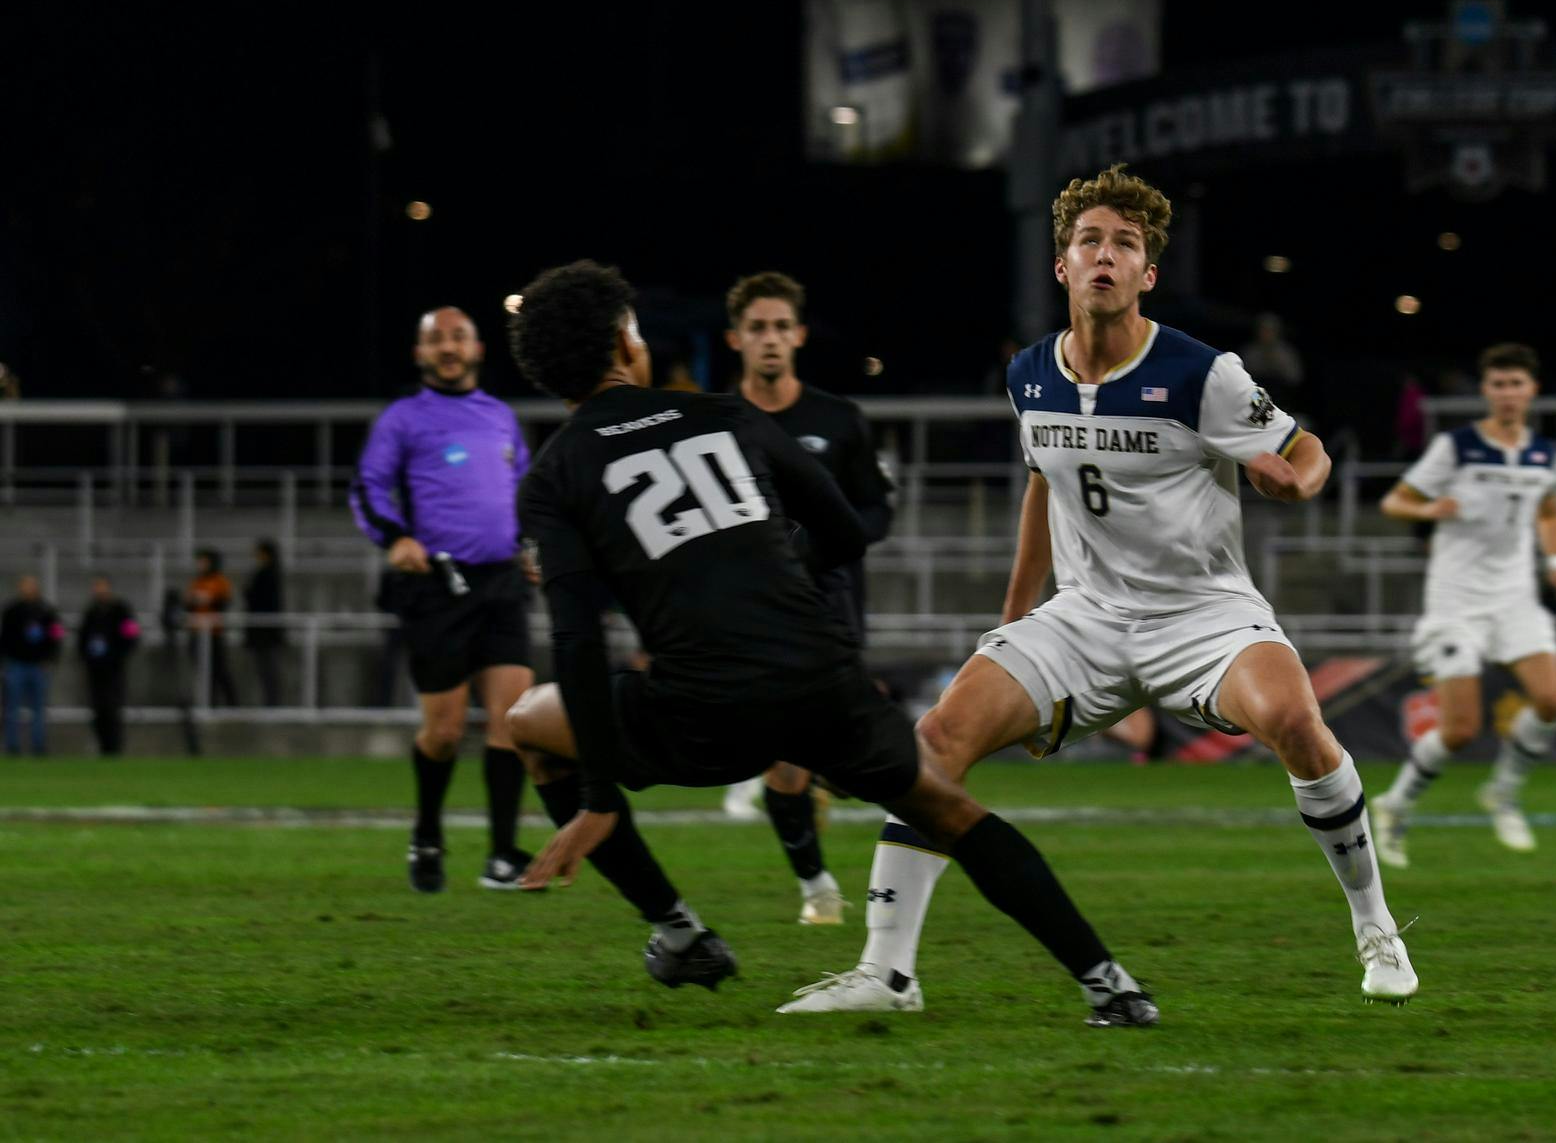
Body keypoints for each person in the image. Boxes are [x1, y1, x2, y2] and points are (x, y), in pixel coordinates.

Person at [781, 164, 1415, 1016]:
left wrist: (1295, 485)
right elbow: (1045, 484)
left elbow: (1307, 452)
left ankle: (1374, 923)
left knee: (1299, 722)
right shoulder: (1029, 376)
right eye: (1090, 241)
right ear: (1063, 265)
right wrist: (1013, 631)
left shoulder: (1202, 373)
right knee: (932, 740)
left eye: (1126, 244)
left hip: (1204, 614)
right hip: (1082, 618)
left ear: (1148, 273)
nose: (1106, 256)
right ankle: (887, 973)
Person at [503, 260, 1158, 1027]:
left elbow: (577, 638)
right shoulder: (727, 415)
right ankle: (1108, 982)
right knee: (944, 807)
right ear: (625, 340)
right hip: (818, 674)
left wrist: (596, 794)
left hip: (703, 707)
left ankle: (680, 933)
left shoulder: (554, 474)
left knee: (526, 724)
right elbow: (845, 531)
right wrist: (769, 575)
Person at [720, 270, 895, 926]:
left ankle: (833, 777)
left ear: (797, 335)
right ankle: (818, 888)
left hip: (832, 605)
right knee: (786, 759)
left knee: (846, 758)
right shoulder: (715, 423)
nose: (769, 339)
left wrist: (824, 543)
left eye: (780, 327)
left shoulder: (836, 419)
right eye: (756, 328)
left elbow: (876, 510)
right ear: (736, 338)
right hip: (751, 612)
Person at [350, 306, 537, 893]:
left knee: (514, 723)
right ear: (420, 354)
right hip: (439, 587)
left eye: (459, 337)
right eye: (436, 339)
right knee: (445, 732)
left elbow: (527, 493)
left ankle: (503, 854)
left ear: (479, 349)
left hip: (503, 583)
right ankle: (426, 833)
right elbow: (369, 487)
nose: (448, 347)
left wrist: (532, 546)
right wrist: (396, 538)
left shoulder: (502, 417)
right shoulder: (404, 419)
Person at [1373, 344, 1556, 866]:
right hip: (1456, 604)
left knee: (1552, 700)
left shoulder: (1544, 454)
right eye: (1498, 384)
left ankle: (1503, 793)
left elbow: (1549, 510)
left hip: (1515, 599)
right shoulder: (1457, 447)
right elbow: (1394, 500)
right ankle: (1395, 805)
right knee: (1461, 731)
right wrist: (1430, 507)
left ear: (1532, 390)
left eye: (1517, 384)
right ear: (1486, 391)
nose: (1508, 394)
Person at [78, 577, 142, 755]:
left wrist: (120, 655)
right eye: (97, 586)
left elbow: (132, 633)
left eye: (102, 586)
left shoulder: (121, 610)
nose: (100, 590)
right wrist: (86, 657)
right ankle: (102, 745)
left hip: (114, 668)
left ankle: (115, 746)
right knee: (97, 709)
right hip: (95, 669)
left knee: (113, 707)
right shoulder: (91, 611)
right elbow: (82, 639)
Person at [2, 575, 65, 756]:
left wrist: (51, 658)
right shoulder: (12, 611)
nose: (27, 589)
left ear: (36, 588)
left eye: (30, 586)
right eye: (24, 586)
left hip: (39, 666)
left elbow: (57, 635)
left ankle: (39, 746)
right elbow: (4, 638)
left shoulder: (47, 611)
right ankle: (12, 746)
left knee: (39, 708)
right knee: (11, 708)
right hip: (17, 665)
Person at [185, 549, 237, 708]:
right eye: (199, 561)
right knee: (202, 671)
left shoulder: (220, 581)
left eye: (204, 561)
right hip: (197, 632)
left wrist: (208, 600)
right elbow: (188, 604)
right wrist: (194, 601)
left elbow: (224, 603)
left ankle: (232, 704)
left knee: (219, 670)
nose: (201, 565)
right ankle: (209, 703)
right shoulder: (196, 582)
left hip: (214, 633)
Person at [244, 540, 286, 707]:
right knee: (265, 670)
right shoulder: (267, 573)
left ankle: (272, 703)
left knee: (268, 669)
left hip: (265, 629)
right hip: (263, 629)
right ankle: (270, 702)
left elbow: (262, 600)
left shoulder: (268, 574)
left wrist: (249, 594)